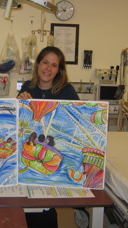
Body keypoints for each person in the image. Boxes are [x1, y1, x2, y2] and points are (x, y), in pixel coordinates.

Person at [17, 46, 79, 228]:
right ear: (38, 64)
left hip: (55, 156)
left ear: (59, 70)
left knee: (47, 206)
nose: (48, 68)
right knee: (28, 202)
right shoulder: (27, 88)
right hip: (29, 154)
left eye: (54, 65)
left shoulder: (67, 91)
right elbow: (17, 123)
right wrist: (19, 101)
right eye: (45, 62)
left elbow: (76, 123)